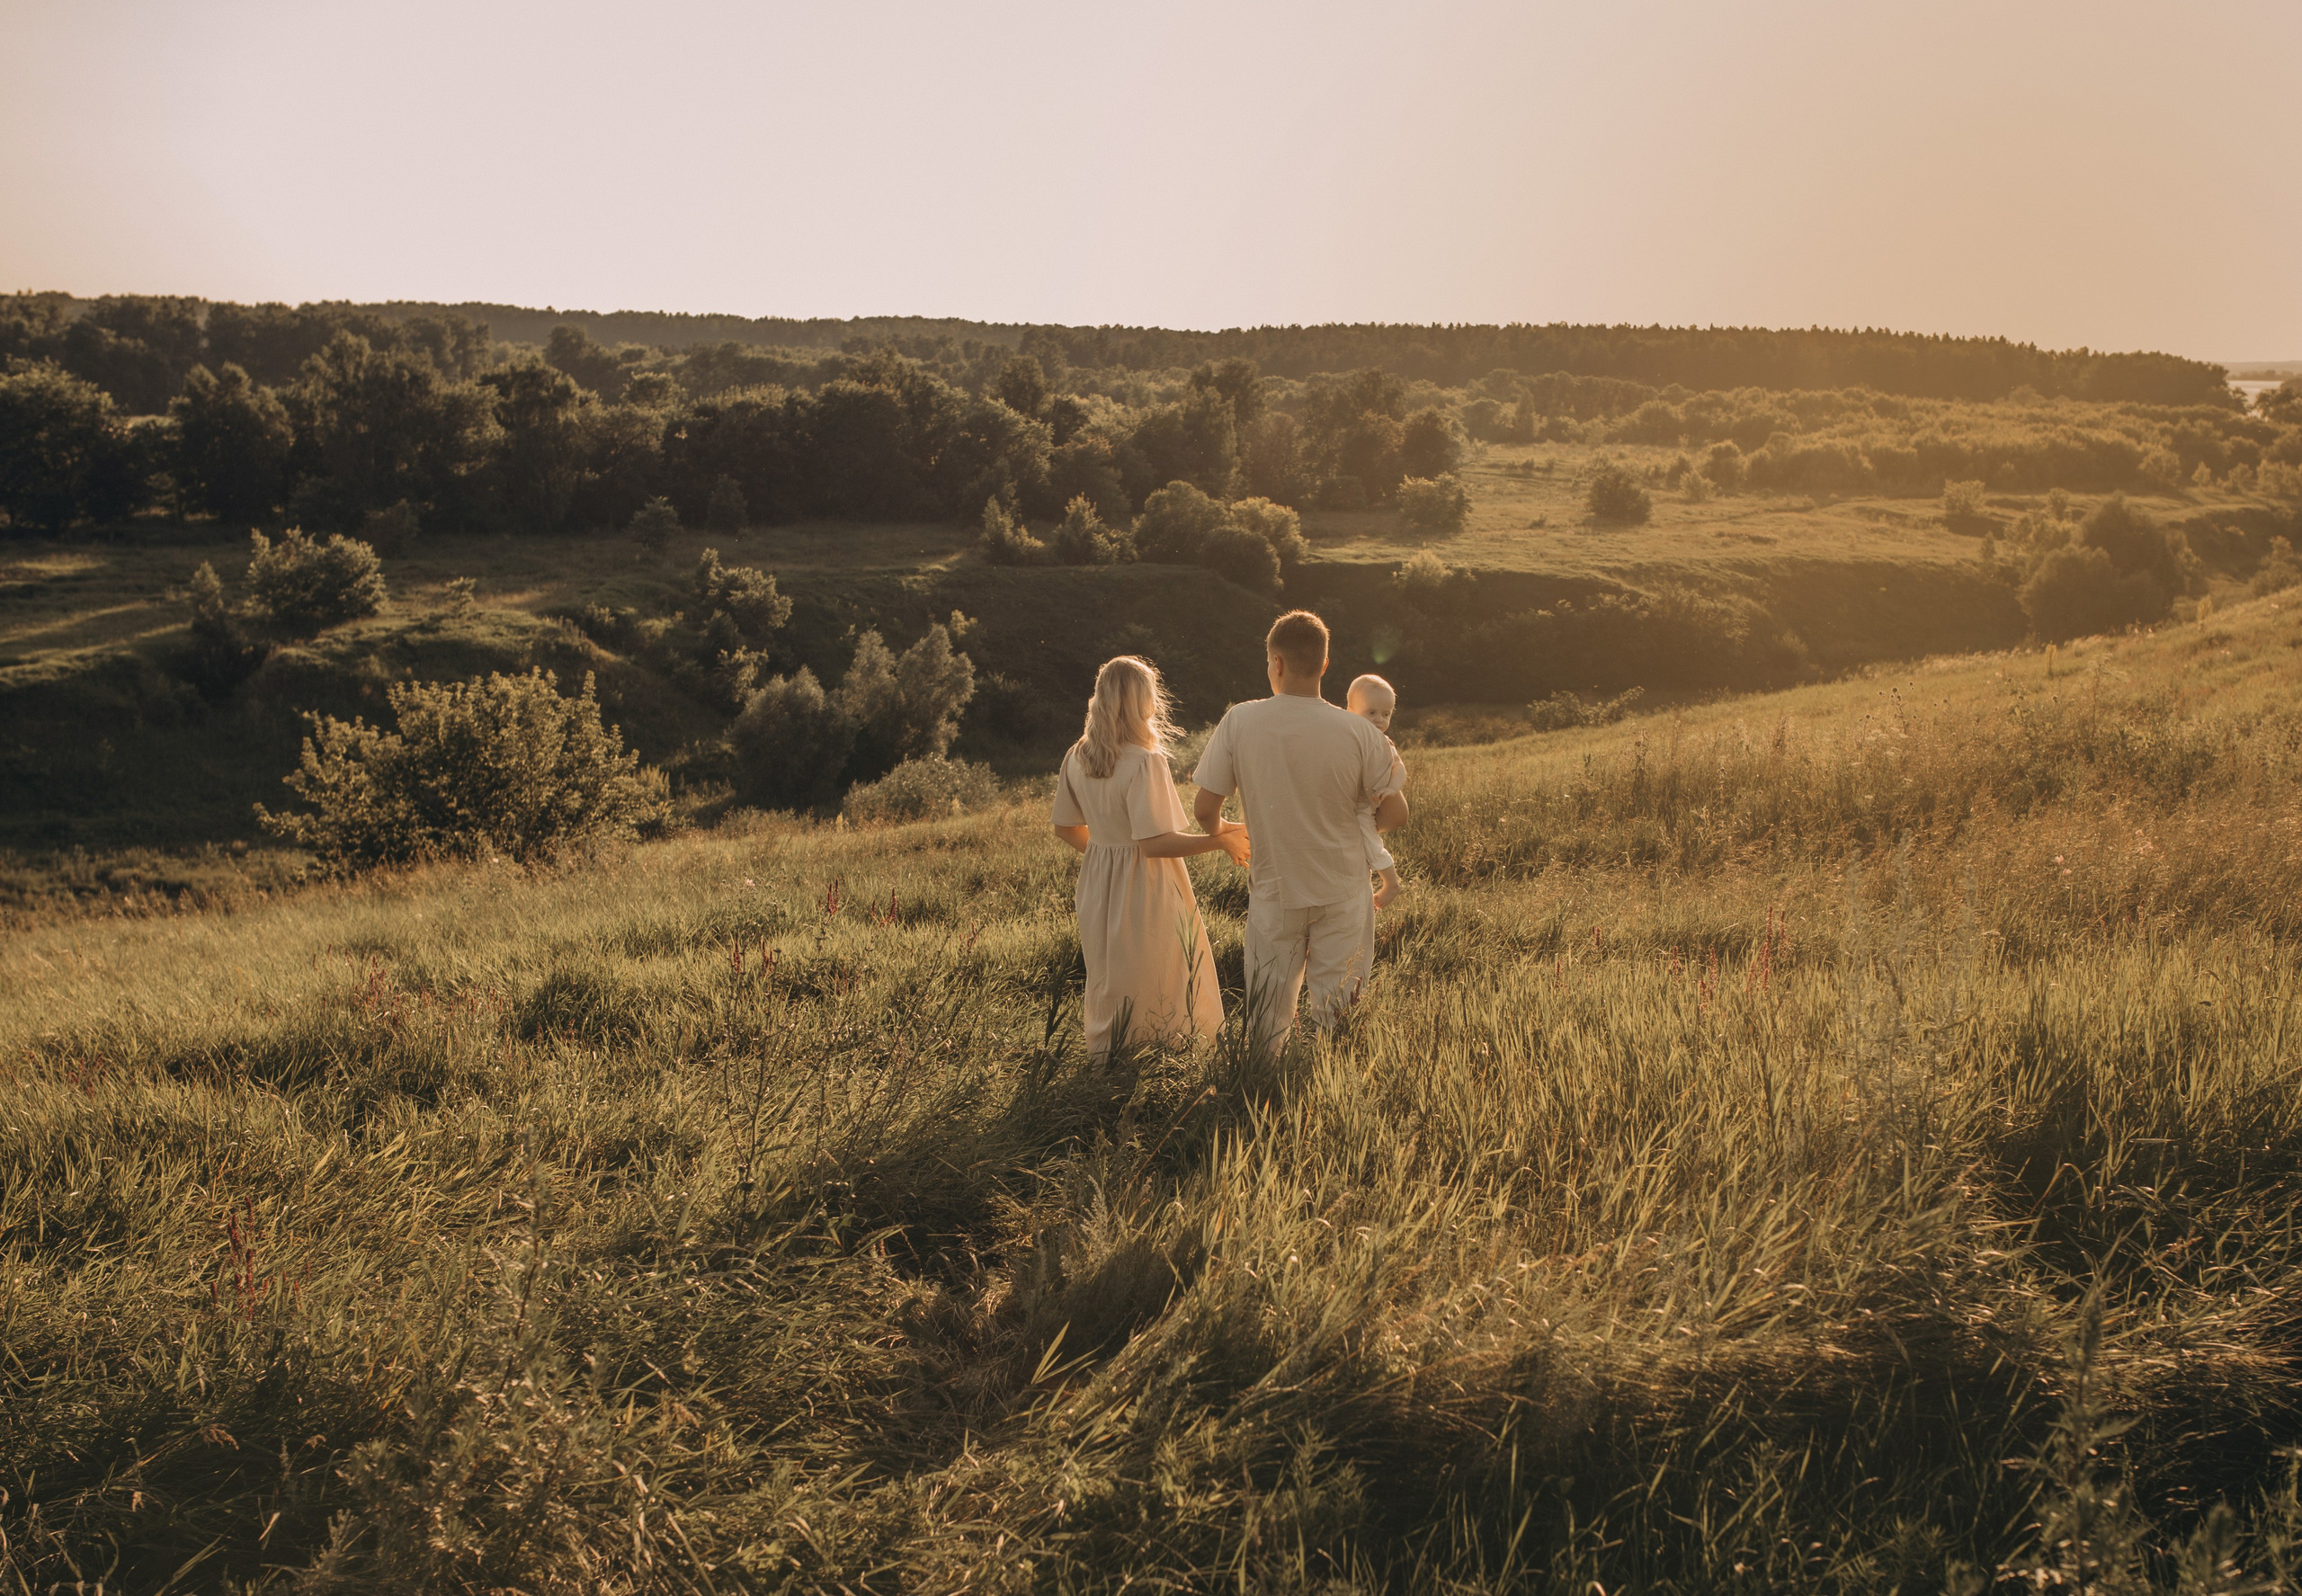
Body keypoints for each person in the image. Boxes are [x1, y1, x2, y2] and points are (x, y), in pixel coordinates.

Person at [1191, 611, 1407, 1051]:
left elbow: (1204, 809)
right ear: (1325, 665)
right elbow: (1396, 814)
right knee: (1339, 1006)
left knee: (1269, 1007)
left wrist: (1223, 831)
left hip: (1276, 886)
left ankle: (1264, 1084)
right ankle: (1330, 1085)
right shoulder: (1362, 732)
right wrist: (1357, 825)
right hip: (1344, 885)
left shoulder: (1240, 720)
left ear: (1276, 663)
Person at [1051, 655, 1248, 1057]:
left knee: (1110, 974)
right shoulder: (1145, 760)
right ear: (1143, 701)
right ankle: (1165, 1054)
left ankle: (1111, 1056)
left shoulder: (1077, 756)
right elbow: (1155, 844)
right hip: (1146, 881)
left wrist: (1107, 855)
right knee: (1163, 969)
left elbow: (1065, 828)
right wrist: (1220, 841)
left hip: (1097, 878)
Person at [1344, 673, 1406, 912]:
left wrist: (1392, 788)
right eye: (1371, 713)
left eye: (1386, 714)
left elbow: (1399, 768)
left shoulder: (1385, 743)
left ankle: (1391, 883)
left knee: (1370, 843)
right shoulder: (1349, 738)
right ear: (1350, 711)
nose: (1379, 720)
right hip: (1353, 803)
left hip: (1365, 807)